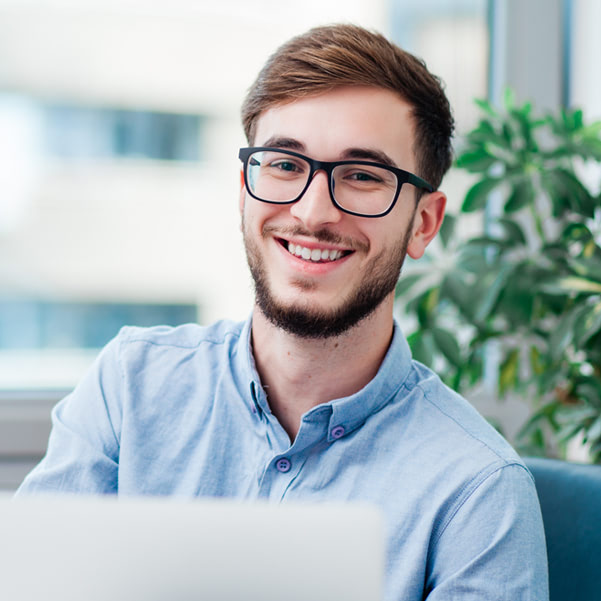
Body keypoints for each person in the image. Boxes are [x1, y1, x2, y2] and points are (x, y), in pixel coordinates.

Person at [17, 24, 548, 600]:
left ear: (424, 222)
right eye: (284, 165)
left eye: (363, 175)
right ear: (245, 189)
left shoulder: (478, 490)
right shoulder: (128, 389)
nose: (312, 211)